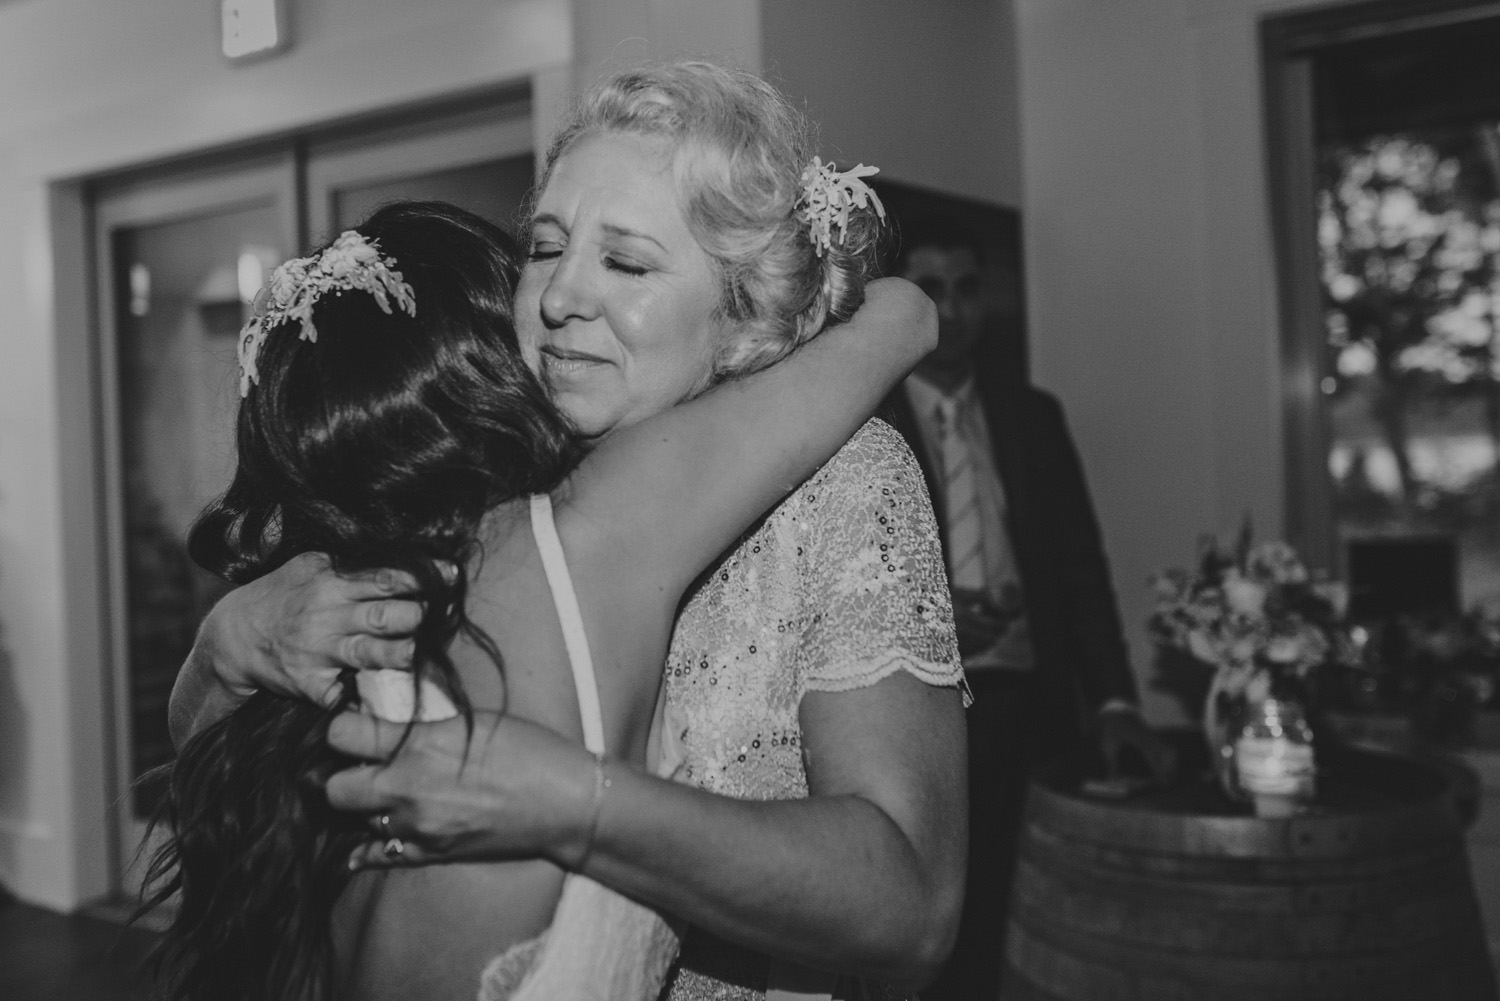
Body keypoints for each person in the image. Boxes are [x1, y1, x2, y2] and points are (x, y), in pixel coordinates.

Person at [167, 62, 969, 1001]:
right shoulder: (485, 474)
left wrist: (577, 802)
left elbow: (915, 906)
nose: (557, 299)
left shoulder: (844, 479)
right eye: (545, 249)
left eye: (626, 262)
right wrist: (221, 652)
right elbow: (244, 793)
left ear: (742, 307)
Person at [880, 216, 1175, 1000]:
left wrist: (1115, 700)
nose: (955, 306)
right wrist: (933, 619)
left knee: (1023, 930)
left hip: (1030, 712)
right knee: (927, 935)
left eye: (969, 287)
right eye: (932, 288)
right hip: (921, 715)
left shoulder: (1031, 414)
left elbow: (1082, 569)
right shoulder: (867, 422)